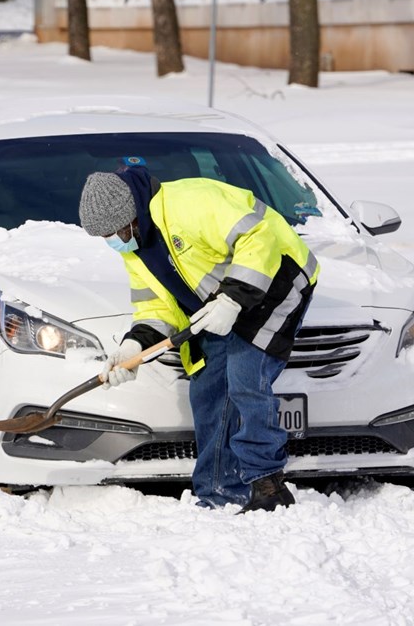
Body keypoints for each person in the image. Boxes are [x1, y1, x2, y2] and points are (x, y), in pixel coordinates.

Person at [78, 166, 318, 512]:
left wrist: (232, 299)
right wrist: (134, 349)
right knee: (208, 389)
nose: (112, 242)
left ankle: (268, 486)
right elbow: (155, 308)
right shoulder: (136, 250)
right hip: (220, 305)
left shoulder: (191, 202)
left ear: (129, 216)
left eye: (112, 232)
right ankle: (218, 490)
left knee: (245, 378)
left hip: (276, 280)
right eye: (103, 238)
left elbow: (258, 236)